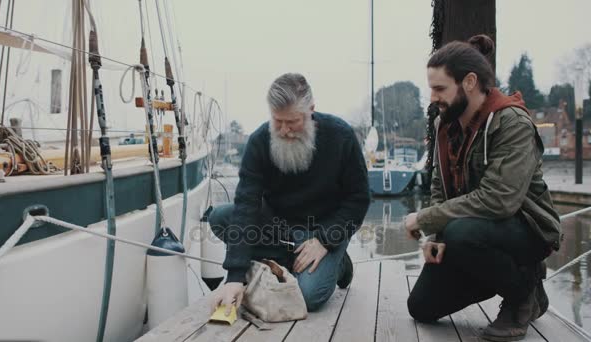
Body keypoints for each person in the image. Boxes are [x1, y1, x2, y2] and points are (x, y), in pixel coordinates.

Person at [404, 35, 561, 342]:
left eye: (439, 88)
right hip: (468, 232)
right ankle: (520, 282)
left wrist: (427, 219)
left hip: (527, 230)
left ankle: (521, 295)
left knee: (462, 234)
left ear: (470, 82)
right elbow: (439, 184)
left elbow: (500, 200)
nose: (433, 97)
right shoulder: (444, 124)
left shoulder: (512, 122)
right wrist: (437, 237)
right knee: (421, 306)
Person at [209, 73, 371, 316]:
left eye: (292, 121)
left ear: (311, 111)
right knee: (221, 217)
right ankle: (291, 259)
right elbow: (246, 205)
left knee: (308, 296)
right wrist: (235, 276)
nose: (284, 130)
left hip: (324, 227)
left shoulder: (341, 136)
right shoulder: (259, 142)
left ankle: (339, 264)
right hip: (278, 227)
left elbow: (358, 199)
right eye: (277, 121)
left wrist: (325, 239)